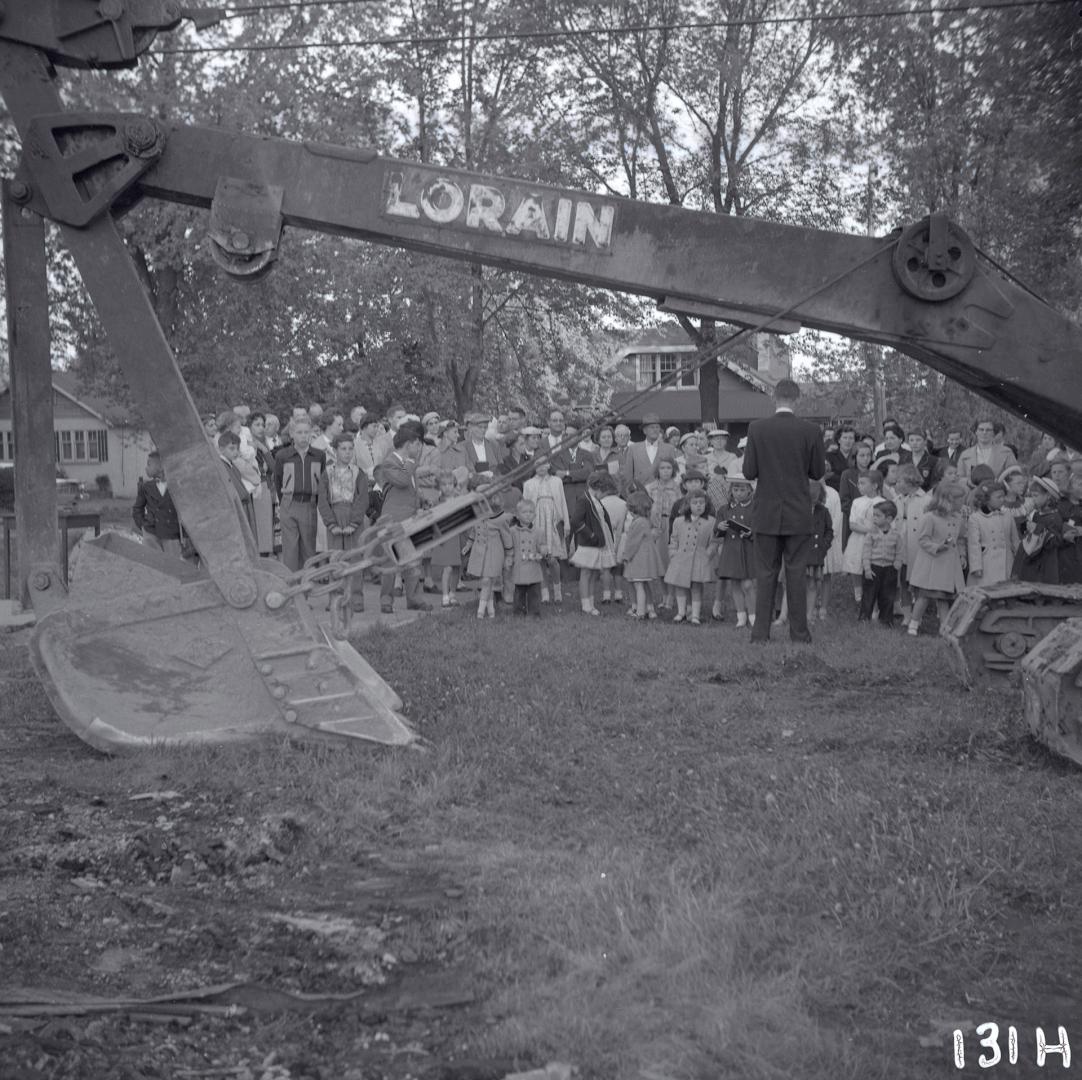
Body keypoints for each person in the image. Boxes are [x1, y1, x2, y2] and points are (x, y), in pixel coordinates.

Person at [741, 379, 826, 642]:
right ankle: (799, 633)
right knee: (796, 574)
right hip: (798, 511)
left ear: (773, 398)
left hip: (766, 511)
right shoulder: (810, 430)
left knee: (765, 573)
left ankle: (760, 633)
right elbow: (818, 472)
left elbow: (749, 472)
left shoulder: (757, 428)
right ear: (797, 399)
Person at [374, 421, 431, 614]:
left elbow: (411, 488)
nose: (419, 448)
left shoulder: (408, 465)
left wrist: (421, 500)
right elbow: (403, 481)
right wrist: (411, 462)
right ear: (408, 444)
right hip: (393, 519)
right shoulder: (390, 462)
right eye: (417, 444)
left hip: (411, 518)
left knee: (413, 561)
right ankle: (386, 600)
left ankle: (414, 599)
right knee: (391, 561)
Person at [316, 432, 369, 613]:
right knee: (336, 559)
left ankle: (356, 598)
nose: (347, 453)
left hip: (353, 515)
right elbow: (322, 500)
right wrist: (331, 524)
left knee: (355, 559)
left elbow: (363, 499)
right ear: (335, 451)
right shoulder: (327, 473)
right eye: (343, 449)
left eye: (350, 449)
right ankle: (335, 598)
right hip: (335, 516)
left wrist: (354, 523)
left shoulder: (358, 473)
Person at [907, 480, 967, 635]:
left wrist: (962, 555)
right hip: (931, 565)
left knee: (943, 598)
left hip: (949, 565)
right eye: (960, 500)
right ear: (949, 501)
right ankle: (913, 624)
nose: (963, 503)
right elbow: (923, 540)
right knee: (924, 597)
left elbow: (960, 539)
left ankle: (945, 628)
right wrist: (937, 547)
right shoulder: (930, 518)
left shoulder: (958, 518)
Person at [273, 416, 325, 572]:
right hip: (289, 503)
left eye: (306, 432)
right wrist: (285, 502)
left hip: (309, 504)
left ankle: (307, 578)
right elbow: (278, 480)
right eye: (299, 432)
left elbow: (322, 481)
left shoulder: (319, 455)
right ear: (292, 434)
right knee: (290, 546)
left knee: (308, 545)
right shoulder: (282, 455)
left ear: (311, 434)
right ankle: (291, 580)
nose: (303, 436)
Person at [569, 470, 617, 616]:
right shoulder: (584, 500)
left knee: (593, 573)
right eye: (604, 493)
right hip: (588, 543)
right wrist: (591, 535)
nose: (605, 496)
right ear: (598, 488)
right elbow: (576, 521)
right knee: (586, 573)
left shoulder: (595, 500)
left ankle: (590, 603)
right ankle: (585, 605)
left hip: (597, 542)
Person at [664, 490, 716, 624]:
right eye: (695, 503)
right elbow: (673, 539)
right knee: (680, 586)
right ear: (688, 504)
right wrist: (673, 552)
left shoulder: (711, 522)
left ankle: (695, 615)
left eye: (701, 503)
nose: (699, 506)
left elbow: (714, 541)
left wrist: (708, 554)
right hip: (681, 558)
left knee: (696, 587)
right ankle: (681, 612)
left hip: (699, 558)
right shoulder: (679, 521)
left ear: (706, 504)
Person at [523, 456, 569, 604]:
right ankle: (544, 593)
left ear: (549, 465)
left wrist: (566, 523)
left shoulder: (557, 481)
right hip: (537, 521)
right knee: (540, 560)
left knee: (553, 559)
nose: (541, 467)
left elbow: (562, 502)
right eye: (537, 464)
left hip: (553, 521)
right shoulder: (529, 484)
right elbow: (525, 505)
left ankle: (557, 591)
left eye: (544, 464)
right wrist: (526, 525)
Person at [714, 472, 757, 628]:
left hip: (747, 550)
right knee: (735, 585)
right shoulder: (724, 509)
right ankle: (741, 617)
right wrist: (720, 527)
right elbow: (717, 530)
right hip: (731, 551)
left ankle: (753, 616)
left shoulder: (755, 508)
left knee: (747, 584)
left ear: (749, 491)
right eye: (735, 490)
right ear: (731, 490)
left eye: (742, 490)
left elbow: (759, 528)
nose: (738, 493)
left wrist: (751, 533)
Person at [465, 490, 512, 618]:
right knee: (488, 582)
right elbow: (473, 533)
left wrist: (509, 555)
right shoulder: (477, 518)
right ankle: (491, 611)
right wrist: (468, 545)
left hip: (494, 553)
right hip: (480, 553)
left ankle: (480, 611)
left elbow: (507, 538)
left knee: (486, 581)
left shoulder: (500, 519)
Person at [132, 451, 188, 559]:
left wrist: (184, 535)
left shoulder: (177, 486)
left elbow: (185, 511)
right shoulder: (146, 487)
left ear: (161, 467)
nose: (146, 468)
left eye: (149, 464)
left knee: (173, 566)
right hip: (151, 533)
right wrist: (144, 526)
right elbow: (137, 509)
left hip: (171, 534)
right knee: (153, 564)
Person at [618, 489, 663, 619]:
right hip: (646, 556)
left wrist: (626, 556)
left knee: (638, 585)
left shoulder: (637, 522)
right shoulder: (646, 520)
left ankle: (640, 612)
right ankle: (650, 609)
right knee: (645, 584)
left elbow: (633, 543)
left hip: (639, 558)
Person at [1012, 476, 1063, 584]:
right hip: (1033, 559)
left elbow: (1055, 541)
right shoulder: (1036, 514)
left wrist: (1037, 529)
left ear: (1048, 496)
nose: (1033, 499)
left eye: (1036, 495)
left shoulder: (1054, 517)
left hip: (1045, 561)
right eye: (1032, 496)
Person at [842, 469, 883, 606]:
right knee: (855, 565)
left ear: (875, 485)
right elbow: (852, 524)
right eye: (858, 483)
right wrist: (867, 530)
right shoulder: (857, 502)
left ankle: (873, 596)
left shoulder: (882, 502)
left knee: (871, 565)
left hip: (876, 541)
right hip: (858, 538)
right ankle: (858, 593)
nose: (859, 486)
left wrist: (875, 532)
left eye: (863, 483)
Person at [859, 499, 902, 626]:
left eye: (878, 515)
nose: (874, 518)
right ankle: (864, 618)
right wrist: (867, 569)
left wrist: (897, 563)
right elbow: (866, 552)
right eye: (874, 515)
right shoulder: (871, 534)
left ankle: (886, 620)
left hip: (889, 569)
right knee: (868, 595)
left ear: (889, 519)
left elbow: (899, 551)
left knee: (888, 596)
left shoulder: (896, 535)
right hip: (873, 568)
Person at [966, 481, 1017, 587]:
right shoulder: (976, 518)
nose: (1002, 500)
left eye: (1004, 496)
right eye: (998, 497)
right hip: (987, 564)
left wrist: (1019, 558)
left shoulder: (1007, 515)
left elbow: (1015, 539)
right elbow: (974, 544)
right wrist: (976, 567)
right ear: (986, 499)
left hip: (1007, 563)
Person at [646, 458, 681, 610]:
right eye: (662, 468)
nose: (666, 471)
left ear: (673, 470)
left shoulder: (678, 488)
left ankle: (671, 597)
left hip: (672, 526)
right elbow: (646, 508)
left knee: (672, 563)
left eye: (669, 468)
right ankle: (664, 594)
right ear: (657, 470)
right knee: (660, 563)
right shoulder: (650, 488)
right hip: (656, 527)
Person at [429, 470, 465, 607]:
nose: (448, 487)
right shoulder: (437, 502)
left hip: (457, 536)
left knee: (457, 567)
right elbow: (433, 521)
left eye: (450, 484)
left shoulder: (459, 500)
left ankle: (453, 594)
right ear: (439, 487)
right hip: (445, 537)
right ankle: (445, 596)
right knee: (448, 567)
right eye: (444, 485)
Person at [508, 499, 544, 617]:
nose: (528, 514)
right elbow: (509, 547)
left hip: (533, 566)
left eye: (531, 512)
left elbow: (541, 545)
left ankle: (535, 613)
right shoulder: (512, 531)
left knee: (534, 592)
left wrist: (543, 551)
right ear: (517, 515)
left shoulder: (538, 531)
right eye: (524, 512)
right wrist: (509, 559)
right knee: (519, 592)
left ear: (535, 515)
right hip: (519, 567)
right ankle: (519, 612)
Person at [806, 480, 835, 625]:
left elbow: (829, 531)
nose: (813, 503)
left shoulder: (823, 511)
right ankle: (795, 614)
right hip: (799, 554)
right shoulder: (797, 509)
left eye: (815, 500)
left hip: (816, 554)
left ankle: (809, 614)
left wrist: (824, 545)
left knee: (812, 585)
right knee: (796, 585)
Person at [218, 430, 257, 537]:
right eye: (231, 448)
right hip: (236, 509)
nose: (236, 452)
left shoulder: (232, 465)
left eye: (237, 448)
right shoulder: (221, 467)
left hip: (244, 505)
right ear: (221, 449)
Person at [627, 412, 679, 489]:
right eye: (652, 427)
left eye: (657, 427)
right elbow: (628, 476)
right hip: (640, 494)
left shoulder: (669, 449)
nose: (655, 430)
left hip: (664, 493)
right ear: (644, 431)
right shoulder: (633, 449)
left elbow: (675, 474)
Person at [957, 419, 1017, 484]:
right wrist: (969, 482)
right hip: (972, 492)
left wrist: (1000, 482)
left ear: (994, 432)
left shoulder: (1006, 453)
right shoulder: (965, 455)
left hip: (998, 492)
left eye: (988, 430)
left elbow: (1015, 477)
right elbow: (958, 478)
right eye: (981, 429)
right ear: (976, 432)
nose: (984, 432)